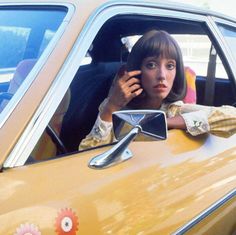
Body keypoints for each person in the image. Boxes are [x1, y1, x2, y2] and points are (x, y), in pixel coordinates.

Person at [79, 30, 236, 150]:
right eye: (151, 65)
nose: (162, 75)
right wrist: (111, 107)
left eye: (170, 66)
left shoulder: (175, 110)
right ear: (136, 70)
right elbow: (87, 155)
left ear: (177, 72)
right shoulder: (111, 107)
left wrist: (165, 123)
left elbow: (233, 116)